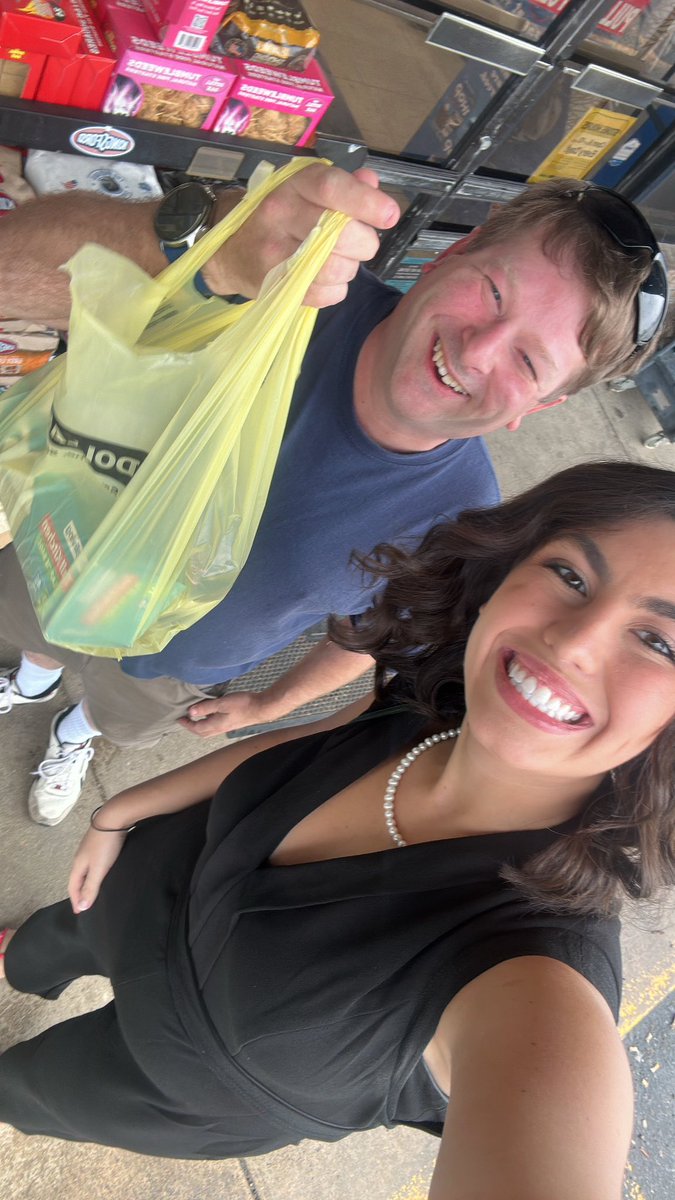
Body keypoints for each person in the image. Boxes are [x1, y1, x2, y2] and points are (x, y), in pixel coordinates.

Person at [2, 460, 675, 1195]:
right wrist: (118, 813)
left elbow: (547, 1126)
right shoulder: (439, 698)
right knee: (45, 942)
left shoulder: (537, 988)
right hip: (138, 890)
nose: (575, 642)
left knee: (29, 1092)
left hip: (173, 1088)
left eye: (659, 642)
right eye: (571, 576)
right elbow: (302, 748)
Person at [0, 167, 669, 827]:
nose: (479, 350)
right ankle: (33, 677)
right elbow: (14, 272)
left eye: (528, 361)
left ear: (540, 405)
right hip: (57, 552)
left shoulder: (461, 520)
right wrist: (202, 248)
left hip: (168, 668)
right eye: (493, 293)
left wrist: (272, 704)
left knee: (116, 714)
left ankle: (76, 732)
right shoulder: (277, 283)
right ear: (453, 252)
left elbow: (372, 636)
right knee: (34, 634)